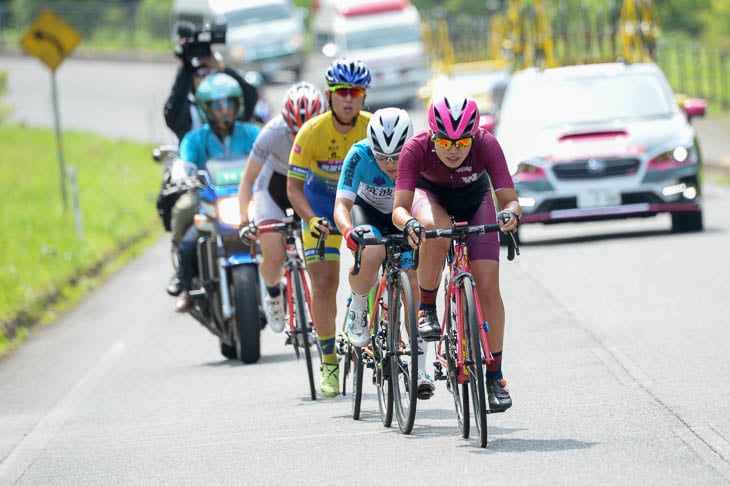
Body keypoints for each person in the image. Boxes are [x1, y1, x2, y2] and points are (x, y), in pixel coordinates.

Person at [391, 95, 521, 412]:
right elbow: (399, 208)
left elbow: (509, 199)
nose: (454, 149)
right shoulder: (415, 148)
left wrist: (511, 215)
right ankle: (426, 308)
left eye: (462, 141)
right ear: (432, 135)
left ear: (474, 135)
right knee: (436, 232)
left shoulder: (487, 144)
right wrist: (408, 223)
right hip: (430, 197)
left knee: (488, 287)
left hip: (475, 200)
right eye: (445, 141)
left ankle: (494, 378)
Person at [333, 107, 436, 398]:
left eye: (397, 157)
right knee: (373, 252)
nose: (390, 164)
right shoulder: (358, 155)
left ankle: (419, 368)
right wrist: (346, 231)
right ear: (371, 148)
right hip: (368, 214)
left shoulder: (420, 153)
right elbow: (342, 205)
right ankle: (358, 306)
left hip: (404, 217)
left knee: (412, 285)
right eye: (382, 157)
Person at [287, 58, 372, 398]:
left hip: (358, 206)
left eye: (355, 92)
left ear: (364, 96)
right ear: (329, 95)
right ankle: (329, 361)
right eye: (341, 92)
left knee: (375, 262)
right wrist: (310, 219)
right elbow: (293, 188)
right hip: (320, 211)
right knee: (323, 284)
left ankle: (359, 309)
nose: (348, 99)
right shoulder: (311, 132)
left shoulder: (372, 127)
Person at [163, 51, 259, 298]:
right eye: (216, 106)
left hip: (249, 199)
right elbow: (185, 161)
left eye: (228, 103)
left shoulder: (250, 132)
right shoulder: (195, 138)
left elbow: (265, 156)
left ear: (237, 104)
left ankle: (285, 275)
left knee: (279, 228)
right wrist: (182, 173)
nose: (224, 111)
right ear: (205, 108)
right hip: (207, 201)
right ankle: (183, 277)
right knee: (184, 217)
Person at [237, 82, 327, 332]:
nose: (300, 138)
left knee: (321, 258)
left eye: (308, 130)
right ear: (285, 122)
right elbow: (247, 180)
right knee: (274, 253)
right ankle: (274, 292)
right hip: (274, 187)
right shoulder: (272, 133)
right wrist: (244, 221)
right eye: (294, 131)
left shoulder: (330, 131)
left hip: (308, 188)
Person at [164, 52, 259, 142]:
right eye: (202, 73)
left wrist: (223, 69)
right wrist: (185, 68)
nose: (209, 77)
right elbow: (173, 113)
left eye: (214, 72)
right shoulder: (188, 112)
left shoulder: (233, 106)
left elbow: (249, 98)